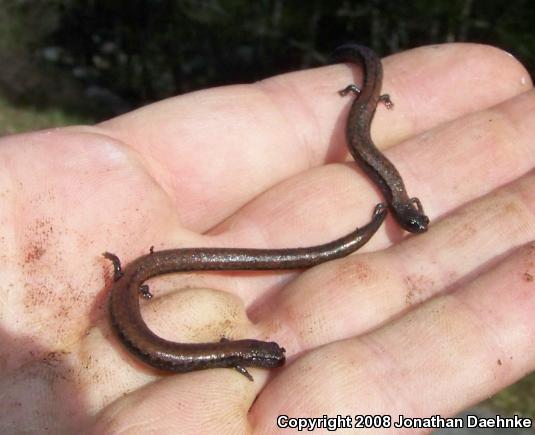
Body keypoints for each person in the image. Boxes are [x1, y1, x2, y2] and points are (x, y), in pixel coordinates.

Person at [1, 43, 533, 433]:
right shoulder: (228, 354)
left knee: (158, 279)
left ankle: (135, 279)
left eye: (264, 356)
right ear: (243, 357)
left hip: (132, 292)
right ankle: (135, 280)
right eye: (261, 356)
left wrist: (132, 282)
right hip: (130, 296)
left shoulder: (226, 353)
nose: (264, 356)